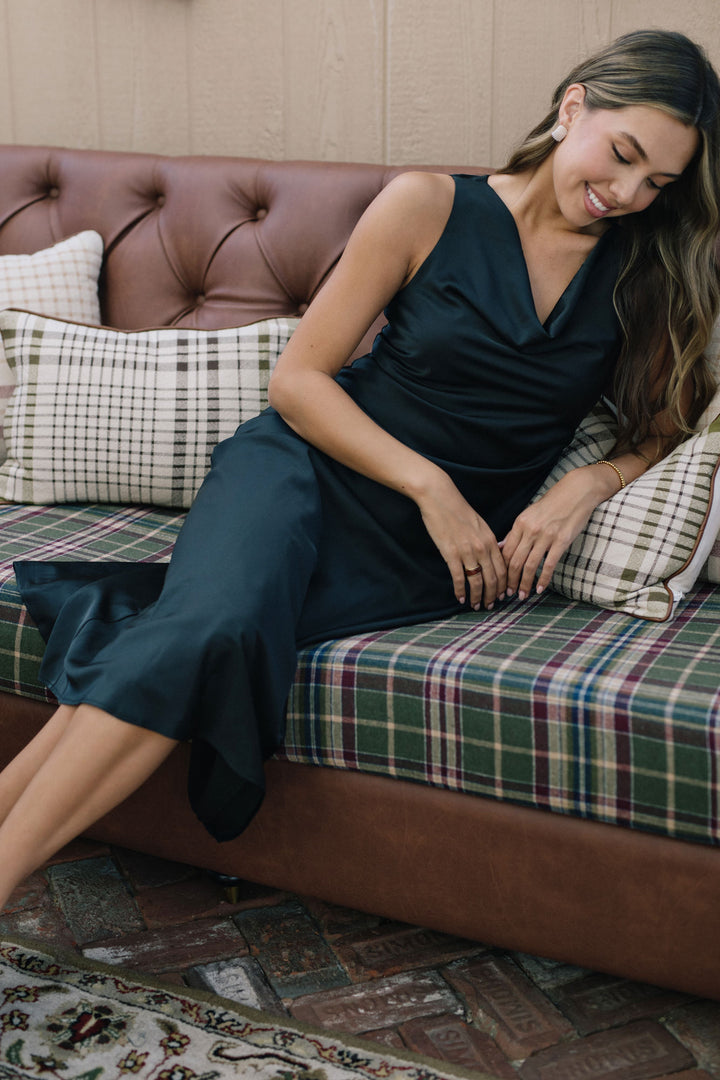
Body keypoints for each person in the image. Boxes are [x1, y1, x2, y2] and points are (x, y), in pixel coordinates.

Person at [2, 29, 719, 909]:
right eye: (621, 155)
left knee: (194, 632)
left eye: (657, 183)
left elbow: (664, 426)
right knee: (210, 630)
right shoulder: (428, 205)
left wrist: (585, 484)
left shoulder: (646, 270)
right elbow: (298, 381)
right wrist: (432, 486)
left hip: (418, 557)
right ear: (573, 106)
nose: (625, 193)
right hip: (303, 472)